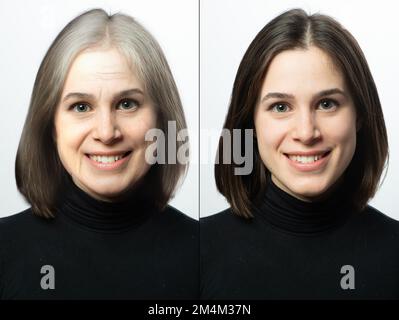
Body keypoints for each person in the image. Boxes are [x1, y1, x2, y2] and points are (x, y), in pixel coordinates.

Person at [200, 8, 399, 299]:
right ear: (250, 123)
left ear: (359, 116)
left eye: (327, 104)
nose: (306, 133)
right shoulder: (196, 252)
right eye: (280, 107)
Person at [0, 8, 198, 299]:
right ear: (51, 126)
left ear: (161, 120)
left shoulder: (204, 253)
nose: (106, 133)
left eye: (127, 104)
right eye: (81, 107)